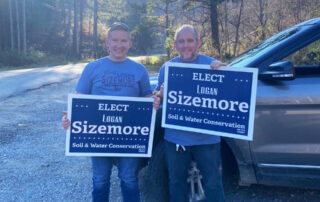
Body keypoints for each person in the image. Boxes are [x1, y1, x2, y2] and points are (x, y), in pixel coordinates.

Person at [62, 22, 160, 202]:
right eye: (115, 40)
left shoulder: (139, 70)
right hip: (99, 136)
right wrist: (70, 118)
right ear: (107, 43)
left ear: (129, 44)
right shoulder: (92, 68)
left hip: (129, 136)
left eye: (123, 41)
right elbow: (79, 99)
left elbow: (146, 96)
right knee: (100, 179)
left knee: (129, 178)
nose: (119, 45)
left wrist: (151, 102)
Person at [154, 24, 226, 202]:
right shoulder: (167, 68)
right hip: (176, 139)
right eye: (181, 41)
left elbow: (229, 95)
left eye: (190, 41)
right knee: (176, 185)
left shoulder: (211, 65)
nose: (186, 45)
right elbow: (158, 98)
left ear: (198, 43)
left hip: (207, 139)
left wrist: (225, 71)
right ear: (175, 45)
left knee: (214, 184)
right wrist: (160, 95)